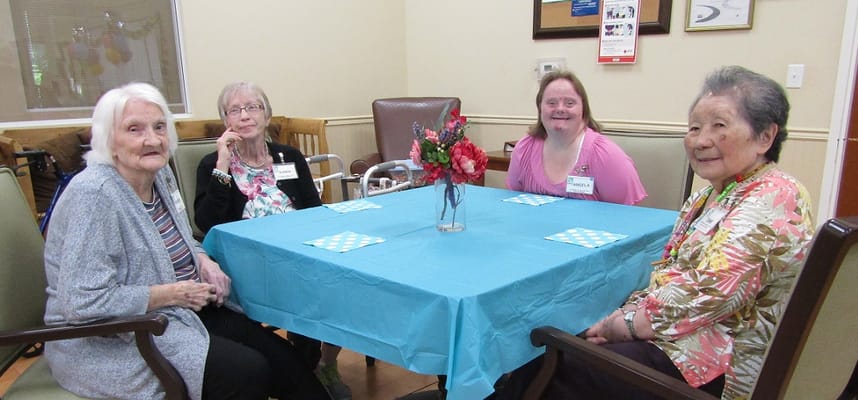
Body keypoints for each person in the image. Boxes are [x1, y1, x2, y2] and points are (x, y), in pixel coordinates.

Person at [493, 65, 816, 399]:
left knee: (548, 369)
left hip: (713, 365)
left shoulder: (775, 196)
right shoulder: (708, 196)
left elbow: (705, 293)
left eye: (719, 126)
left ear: (765, 136)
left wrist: (621, 325)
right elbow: (667, 277)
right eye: (694, 127)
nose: (701, 141)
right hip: (674, 343)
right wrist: (623, 317)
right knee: (539, 357)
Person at [42, 82, 331, 399]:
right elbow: (83, 303)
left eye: (159, 127)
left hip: (184, 311)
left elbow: (183, 238)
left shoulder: (159, 175)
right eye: (134, 130)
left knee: (288, 365)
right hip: (120, 337)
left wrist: (203, 260)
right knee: (247, 370)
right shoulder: (95, 195)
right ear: (109, 141)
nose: (152, 139)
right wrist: (171, 293)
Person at [194, 81, 351, 400]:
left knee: (339, 283)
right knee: (305, 294)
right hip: (246, 263)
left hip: (299, 253)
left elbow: (313, 210)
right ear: (226, 121)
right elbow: (207, 223)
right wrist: (224, 166)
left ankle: (321, 366)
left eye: (253, 107)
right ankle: (304, 377)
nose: (245, 115)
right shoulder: (212, 164)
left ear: (267, 115)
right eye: (235, 110)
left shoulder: (288, 156)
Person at [506, 70, 647, 205]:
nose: (560, 109)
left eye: (570, 103)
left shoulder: (606, 155)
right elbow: (514, 203)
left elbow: (627, 216)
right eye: (551, 103)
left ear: (583, 109)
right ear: (540, 108)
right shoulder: (524, 149)